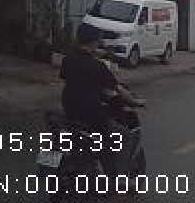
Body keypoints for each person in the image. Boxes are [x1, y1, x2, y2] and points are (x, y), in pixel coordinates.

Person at [60, 24, 142, 174]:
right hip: (91, 114)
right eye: (98, 41)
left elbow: (71, 78)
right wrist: (135, 101)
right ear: (94, 42)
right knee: (124, 136)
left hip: (69, 109)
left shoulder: (68, 60)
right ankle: (120, 177)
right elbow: (118, 89)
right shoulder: (98, 67)